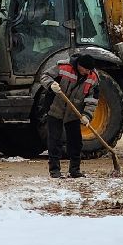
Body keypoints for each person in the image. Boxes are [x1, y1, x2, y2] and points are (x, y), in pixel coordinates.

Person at [42, 49, 100, 179]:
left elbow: (92, 99)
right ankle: (54, 171)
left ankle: (75, 170)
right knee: (54, 140)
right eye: (85, 70)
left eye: (89, 70)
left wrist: (87, 115)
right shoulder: (64, 67)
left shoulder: (93, 77)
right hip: (55, 108)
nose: (87, 73)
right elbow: (45, 76)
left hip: (74, 112)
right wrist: (51, 84)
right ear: (79, 65)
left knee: (76, 142)